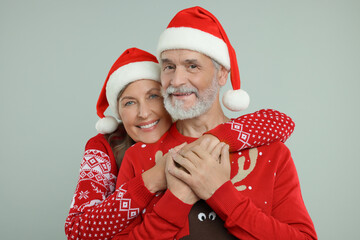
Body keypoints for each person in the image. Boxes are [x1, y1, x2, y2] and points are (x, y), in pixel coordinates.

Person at [112, 6, 317, 240]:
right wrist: (176, 201)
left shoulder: (272, 153)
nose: (177, 81)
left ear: (222, 75)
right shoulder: (139, 157)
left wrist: (220, 193)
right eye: (169, 66)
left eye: (192, 66)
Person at [64, 47, 296, 239]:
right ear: (117, 112)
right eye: (129, 103)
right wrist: (155, 181)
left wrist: (211, 143)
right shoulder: (105, 148)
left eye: (153, 96)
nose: (144, 113)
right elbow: (77, 231)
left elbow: (281, 121)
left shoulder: (263, 148)